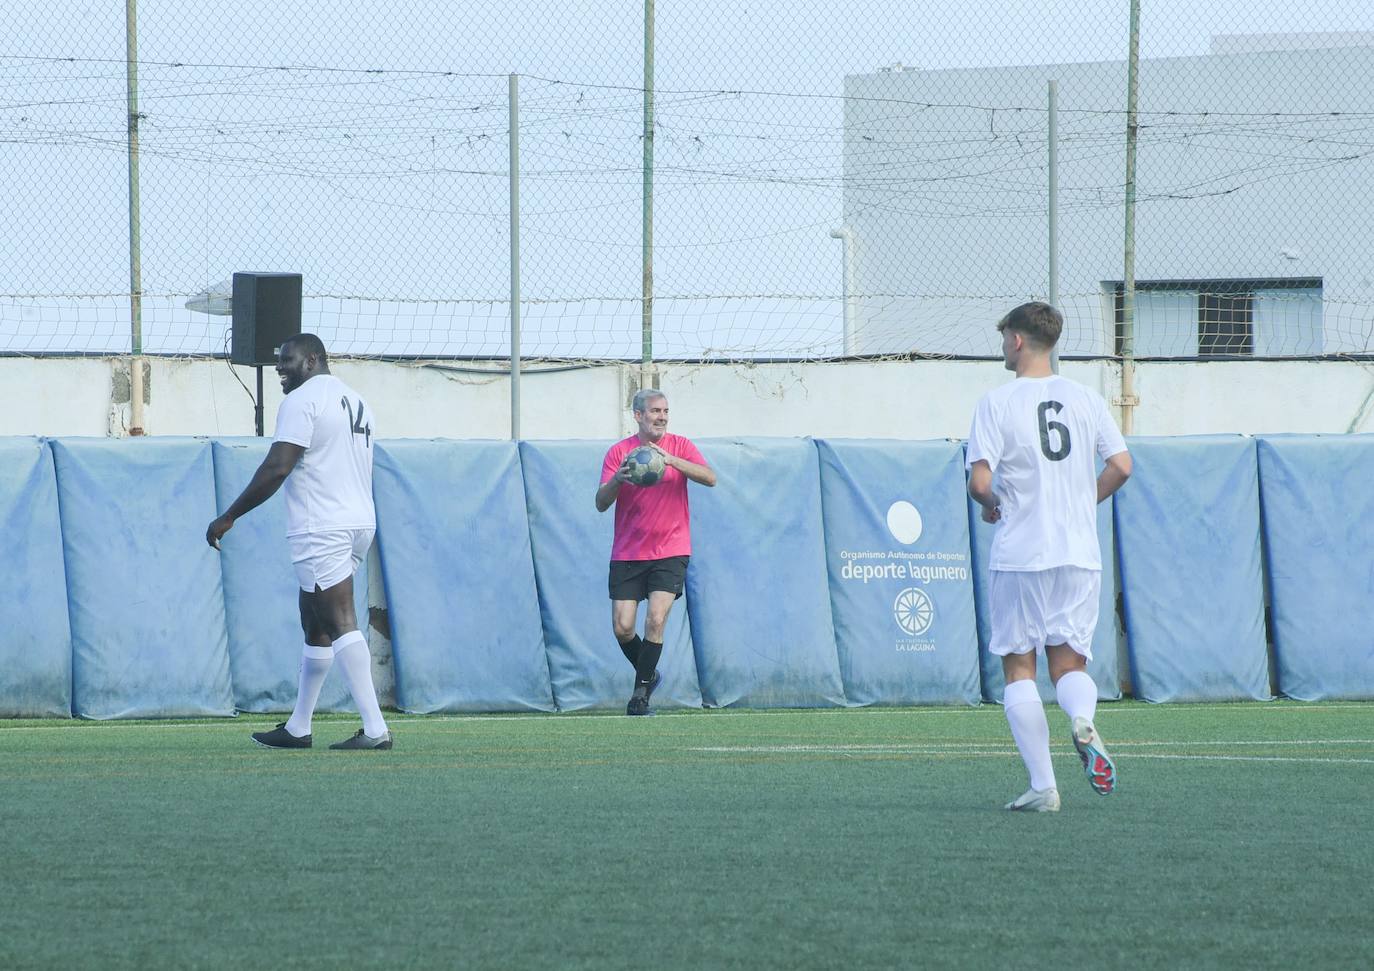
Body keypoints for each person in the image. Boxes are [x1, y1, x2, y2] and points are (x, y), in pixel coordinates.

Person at [966, 302, 1132, 811]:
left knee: (1019, 668)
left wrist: (995, 506)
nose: (1002, 347)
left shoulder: (996, 403)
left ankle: (1044, 787)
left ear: (1016, 340)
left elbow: (979, 482)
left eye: (1003, 339)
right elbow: (1122, 466)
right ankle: (1083, 720)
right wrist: (1083, 501)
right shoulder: (1086, 399)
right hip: (1079, 554)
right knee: (1068, 663)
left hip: (1022, 552)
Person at [206, 333, 392, 750]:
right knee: (315, 619)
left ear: (311, 360)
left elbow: (277, 467)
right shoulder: (357, 401)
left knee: (339, 618)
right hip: (359, 521)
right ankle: (298, 727)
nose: (279, 369)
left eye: (287, 361)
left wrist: (229, 515)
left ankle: (377, 730)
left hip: (321, 525)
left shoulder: (303, 401)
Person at [596, 388, 716, 715]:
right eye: (654, 411)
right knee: (622, 627)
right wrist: (618, 480)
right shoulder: (619, 453)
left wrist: (672, 461)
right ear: (638, 415)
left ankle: (639, 696)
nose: (661, 416)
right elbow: (601, 503)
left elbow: (710, 478)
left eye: (665, 411)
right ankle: (650, 674)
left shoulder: (681, 446)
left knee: (656, 619)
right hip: (628, 551)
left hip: (671, 549)